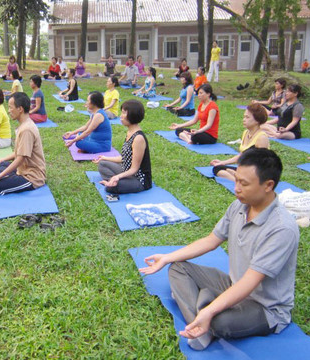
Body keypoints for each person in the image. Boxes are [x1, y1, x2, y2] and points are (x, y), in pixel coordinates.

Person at [139, 148, 298, 351]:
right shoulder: (239, 206)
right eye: (236, 180)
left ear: (268, 185)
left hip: (264, 306)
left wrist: (211, 311)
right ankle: (202, 319)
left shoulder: (281, 228)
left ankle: (204, 317)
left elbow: (251, 282)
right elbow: (211, 240)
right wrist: (167, 257)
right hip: (233, 284)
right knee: (177, 268)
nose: (236, 188)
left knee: (218, 322)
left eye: (244, 184)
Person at [0, 92, 46, 195]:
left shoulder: (26, 130)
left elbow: (21, 158)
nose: (9, 111)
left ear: (20, 109)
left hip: (32, 177)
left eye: (10, 107)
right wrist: (4, 159)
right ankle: (12, 176)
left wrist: (0, 176)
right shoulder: (23, 125)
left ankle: (12, 178)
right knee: (3, 164)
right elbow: (20, 152)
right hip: (23, 169)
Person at [93, 100, 152, 194]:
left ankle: (114, 182)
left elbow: (134, 169)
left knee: (110, 188)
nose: (121, 116)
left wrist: (117, 177)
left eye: (124, 113)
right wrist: (104, 158)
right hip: (126, 170)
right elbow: (125, 158)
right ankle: (115, 181)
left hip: (139, 179)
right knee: (102, 164)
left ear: (132, 115)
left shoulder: (138, 138)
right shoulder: (130, 132)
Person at [210, 104, 270, 181]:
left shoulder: (261, 137)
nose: (244, 119)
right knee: (217, 168)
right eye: (244, 117)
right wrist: (223, 162)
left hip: (258, 173)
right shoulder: (246, 133)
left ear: (257, 120)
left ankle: (241, 180)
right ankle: (239, 180)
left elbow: (262, 163)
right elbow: (242, 155)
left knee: (232, 172)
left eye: (247, 117)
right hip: (245, 170)